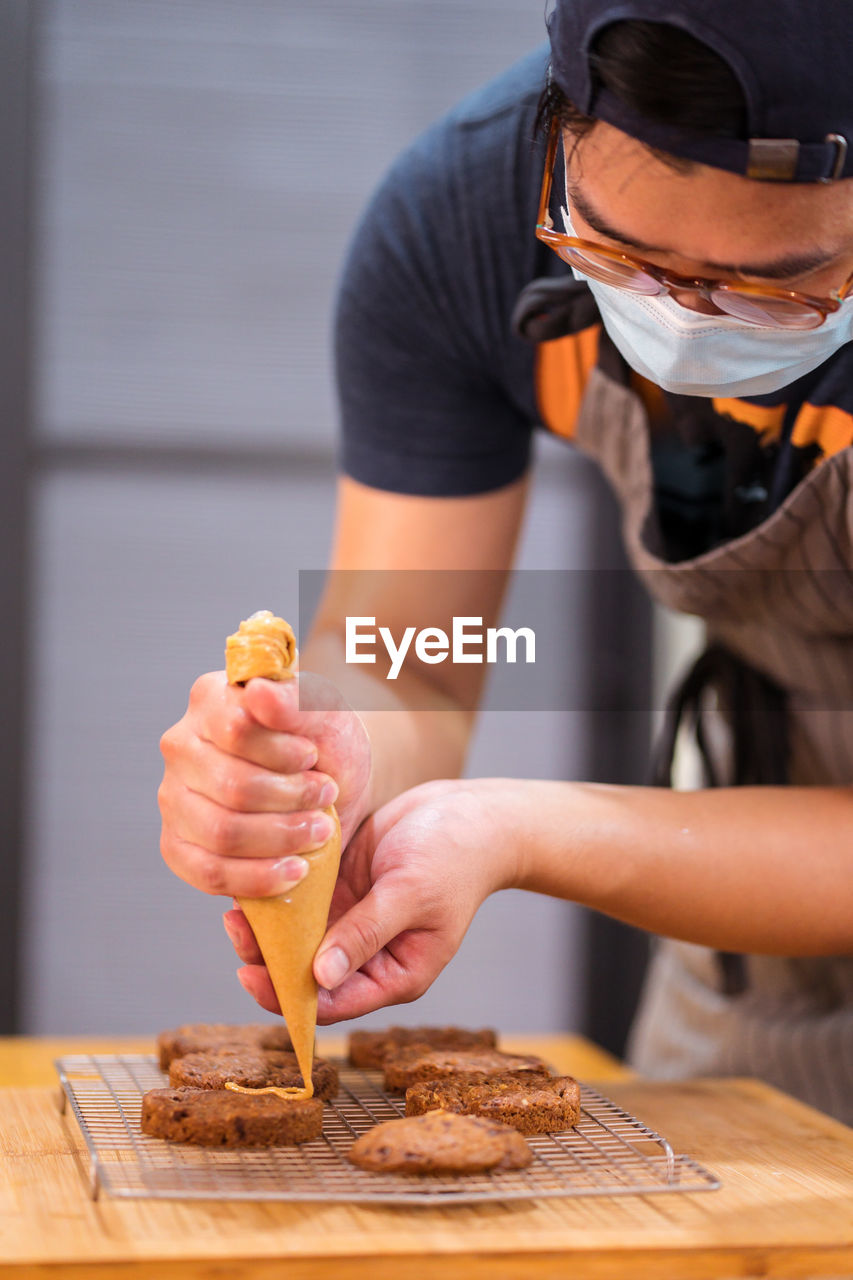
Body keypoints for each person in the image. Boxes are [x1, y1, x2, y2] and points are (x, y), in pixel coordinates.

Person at [158, 0, 853, 1124]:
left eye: (773, 288)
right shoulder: (466, 214)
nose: (682, 326)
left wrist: (520, 829)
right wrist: (330, 751)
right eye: (616, 256)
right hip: (745, 912)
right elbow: (414, 660)